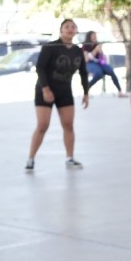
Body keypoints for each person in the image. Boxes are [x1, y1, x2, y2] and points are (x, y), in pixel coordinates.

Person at [26, 19, 90, 172]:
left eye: (73, 27)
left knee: (68, 124)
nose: (70, 29)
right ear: (61, 30)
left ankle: (70, 158)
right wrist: (46, 89)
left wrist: (86, 92)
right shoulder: (51, 47)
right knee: (43, 125)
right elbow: (40, 68)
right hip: (45, 89)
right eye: (66, 26)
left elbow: (83, 72)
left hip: (64, 90)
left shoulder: (77, 50)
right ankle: (30, 159)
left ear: (76, 31)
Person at [82, 30, 123, 96]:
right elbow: (86, 59)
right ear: (89, 37)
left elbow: (104, 59)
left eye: (95, 35)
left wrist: (101, 51)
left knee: (110, 70)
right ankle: (86, 89)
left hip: (99, 63)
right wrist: (95, 50)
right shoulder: (85, 46)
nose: (95, 37)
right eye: (93, 36)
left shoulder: (97, 45)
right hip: (89, 64)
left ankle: (120, 91)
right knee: (99, 73)